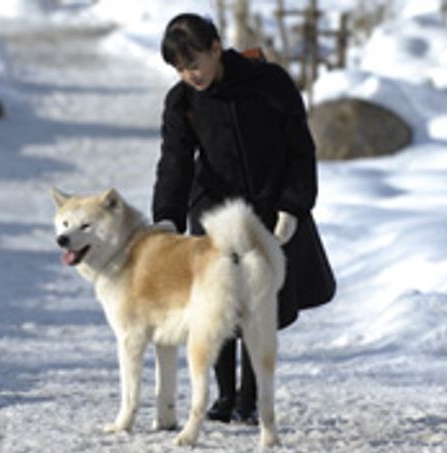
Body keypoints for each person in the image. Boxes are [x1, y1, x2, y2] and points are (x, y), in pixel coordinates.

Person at [152, 13, 336, 425]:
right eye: (180, 69)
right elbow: (175, 162)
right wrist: (167, 217)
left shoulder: (269, 83)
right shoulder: (182, 101)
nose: (189, 75)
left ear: (216, 48)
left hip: (267, 212)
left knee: (258, 305)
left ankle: (249, 399)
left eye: (194, 63)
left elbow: (299, 149)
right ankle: (224, 396)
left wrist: (293, 205)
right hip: (213, 214)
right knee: (217, 306)